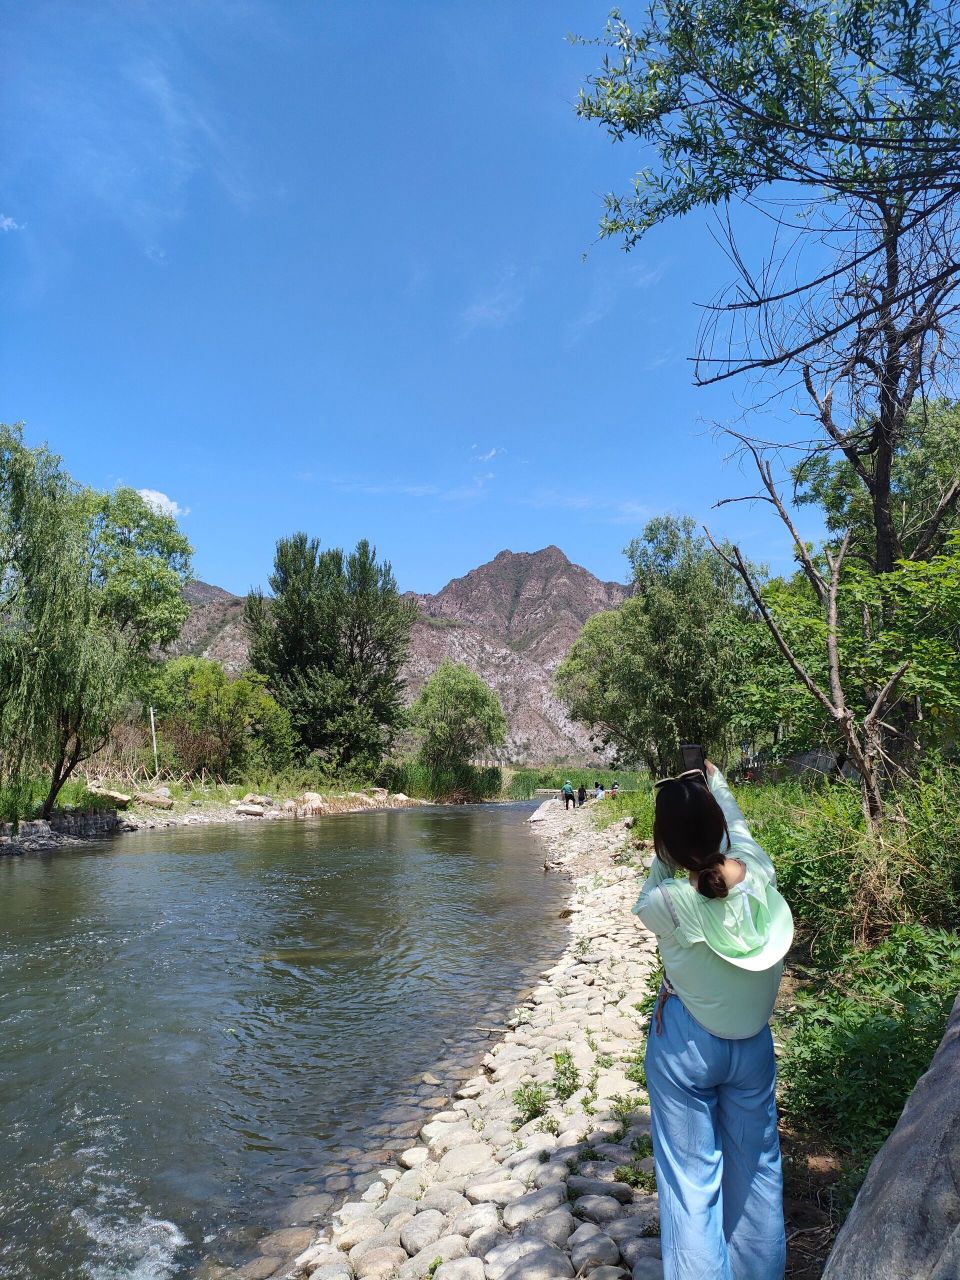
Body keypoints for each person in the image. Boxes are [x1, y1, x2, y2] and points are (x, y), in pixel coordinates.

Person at [633, 761, 793, 1280]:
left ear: (666, 844)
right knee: (759, 1168)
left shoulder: (666, 901)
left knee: (692, 1182)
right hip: (753, 1045)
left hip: (687, 1047)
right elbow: (740, 833)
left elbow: (653, 886)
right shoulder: (759, 872)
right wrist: (717, 787)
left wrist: (665, 852)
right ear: (717, 827)